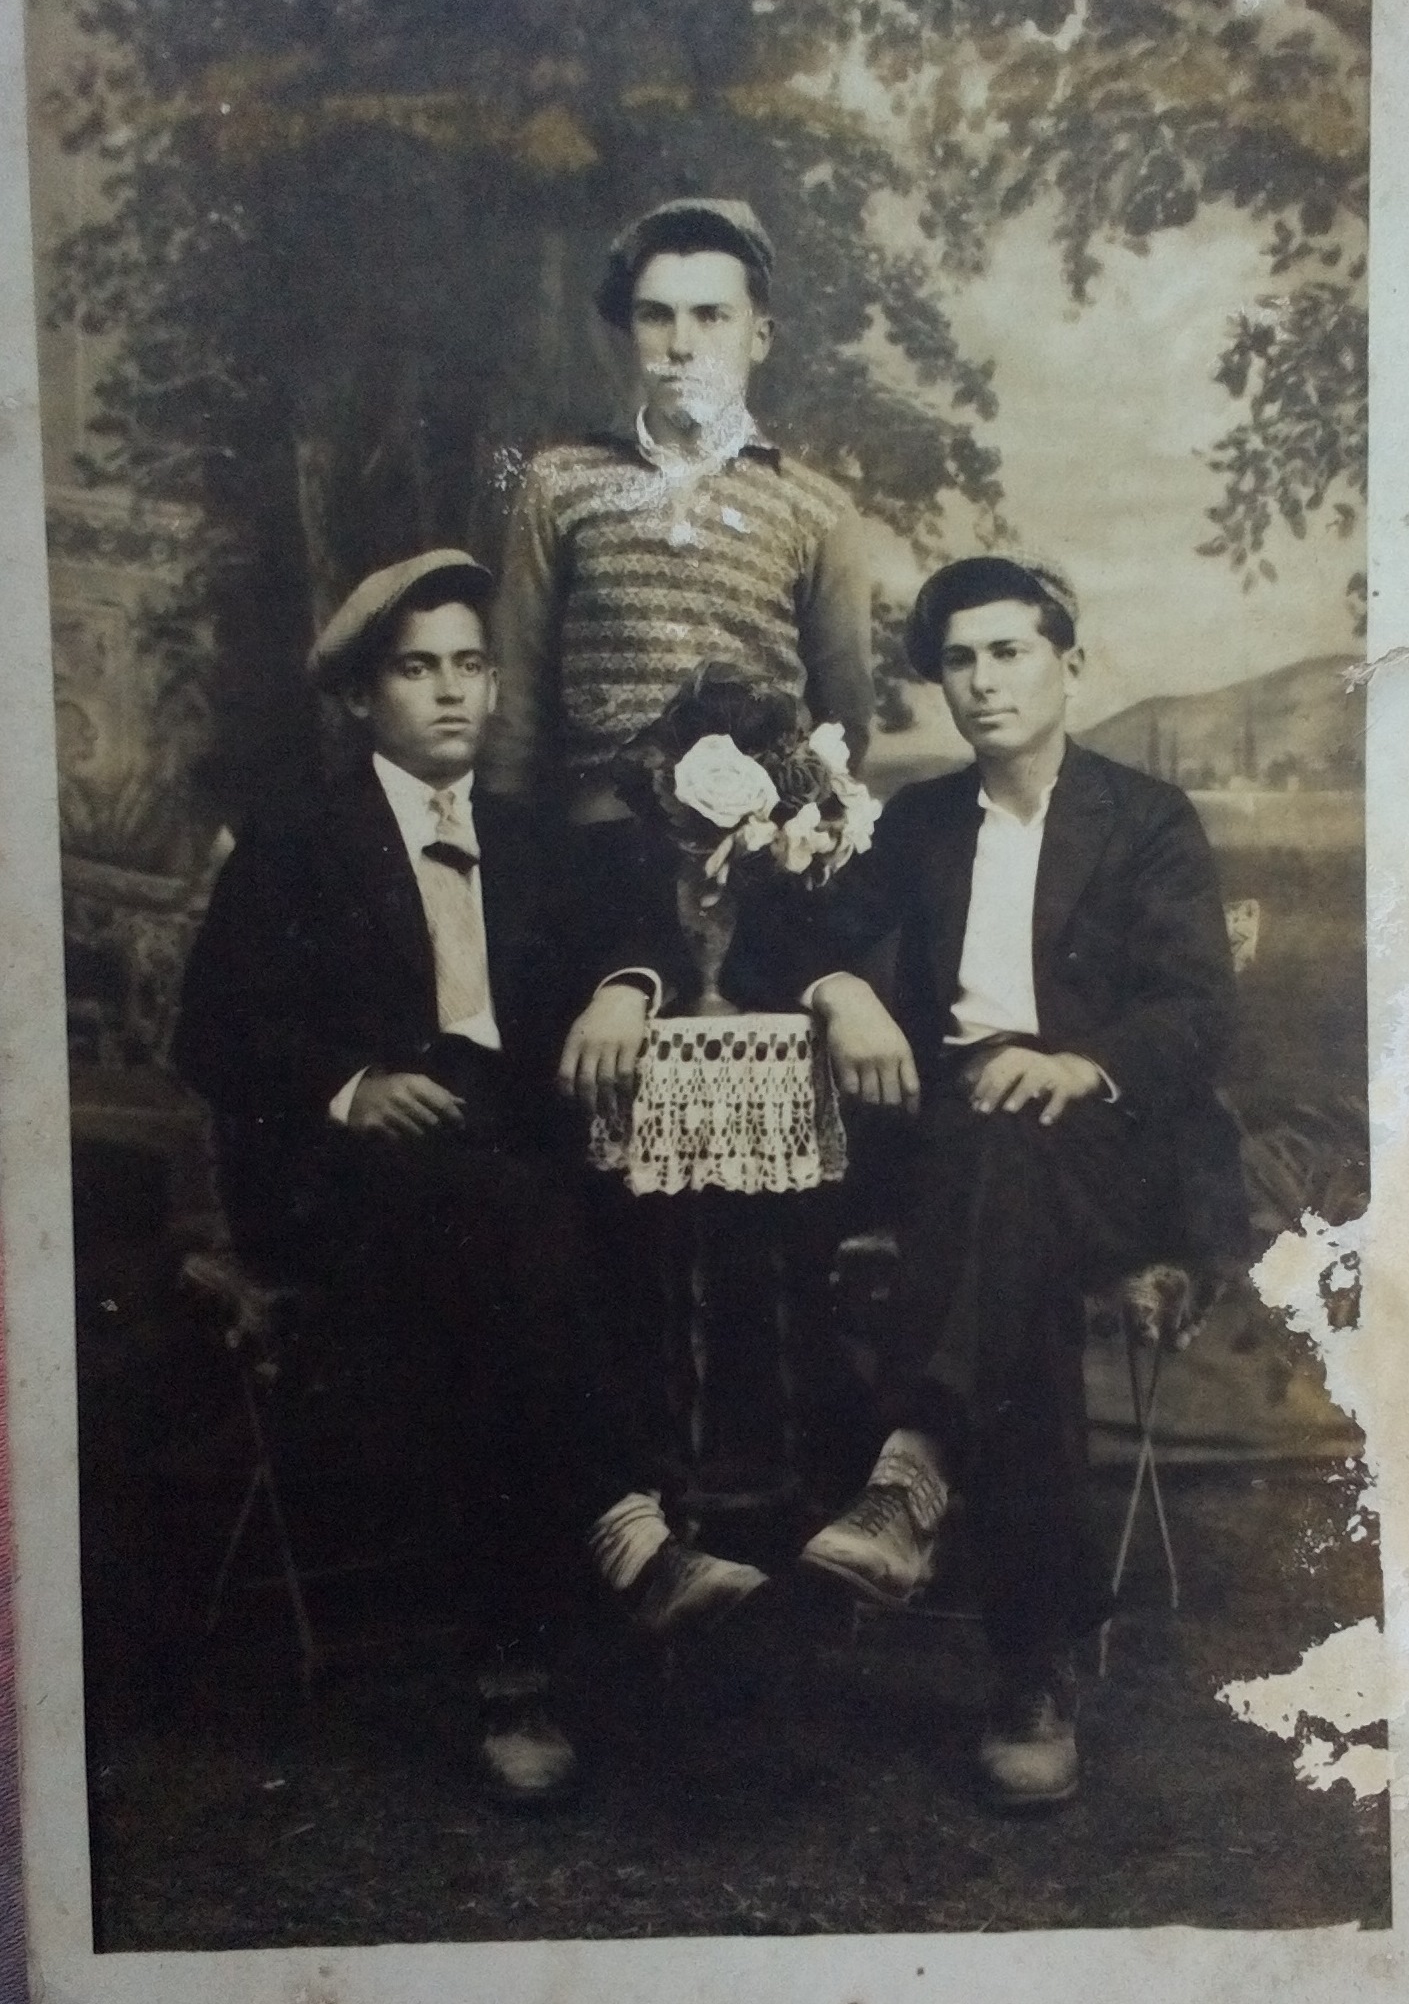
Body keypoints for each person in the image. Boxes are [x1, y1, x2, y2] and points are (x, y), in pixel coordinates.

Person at [173, 551, 767, 1807]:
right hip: (347, 1176)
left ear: (494, 683)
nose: (450, 692)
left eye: (469, 665)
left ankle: (570, 1634)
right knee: (505, 1234)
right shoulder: (298, 840)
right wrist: (350, 1085)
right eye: (415, 668)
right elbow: (214, 1030)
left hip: (509, 1160)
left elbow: (640, 935)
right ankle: (602, 1571)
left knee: (602, 1222)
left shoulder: (531, 837)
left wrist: (623, 990)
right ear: (360, 696)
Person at [788, 556, 1249, 1810]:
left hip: (1111, 1140)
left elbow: (1195, 1011)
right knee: (1008, 1239)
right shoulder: (920, 822)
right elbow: (796, 934)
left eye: (1008, 651)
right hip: (959, 1147)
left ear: (1067, 664)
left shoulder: (1144, 817)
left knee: (1011, 1164)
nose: (983, 680)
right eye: (959, 659)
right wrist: (841, 993)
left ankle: (911, 1466)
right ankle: (1030, 1671)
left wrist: (1074, 1063)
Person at [481, 195, 876, 1088]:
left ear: (759, 336)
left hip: (757, 882)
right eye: (655, 316)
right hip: (592, 872)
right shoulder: (560, 484)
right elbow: (516, 711)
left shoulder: (814, 507)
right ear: (629, 333)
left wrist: (787, 846)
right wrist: (515, 879)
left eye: (711, 316)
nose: (681, 343)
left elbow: (843, 725)